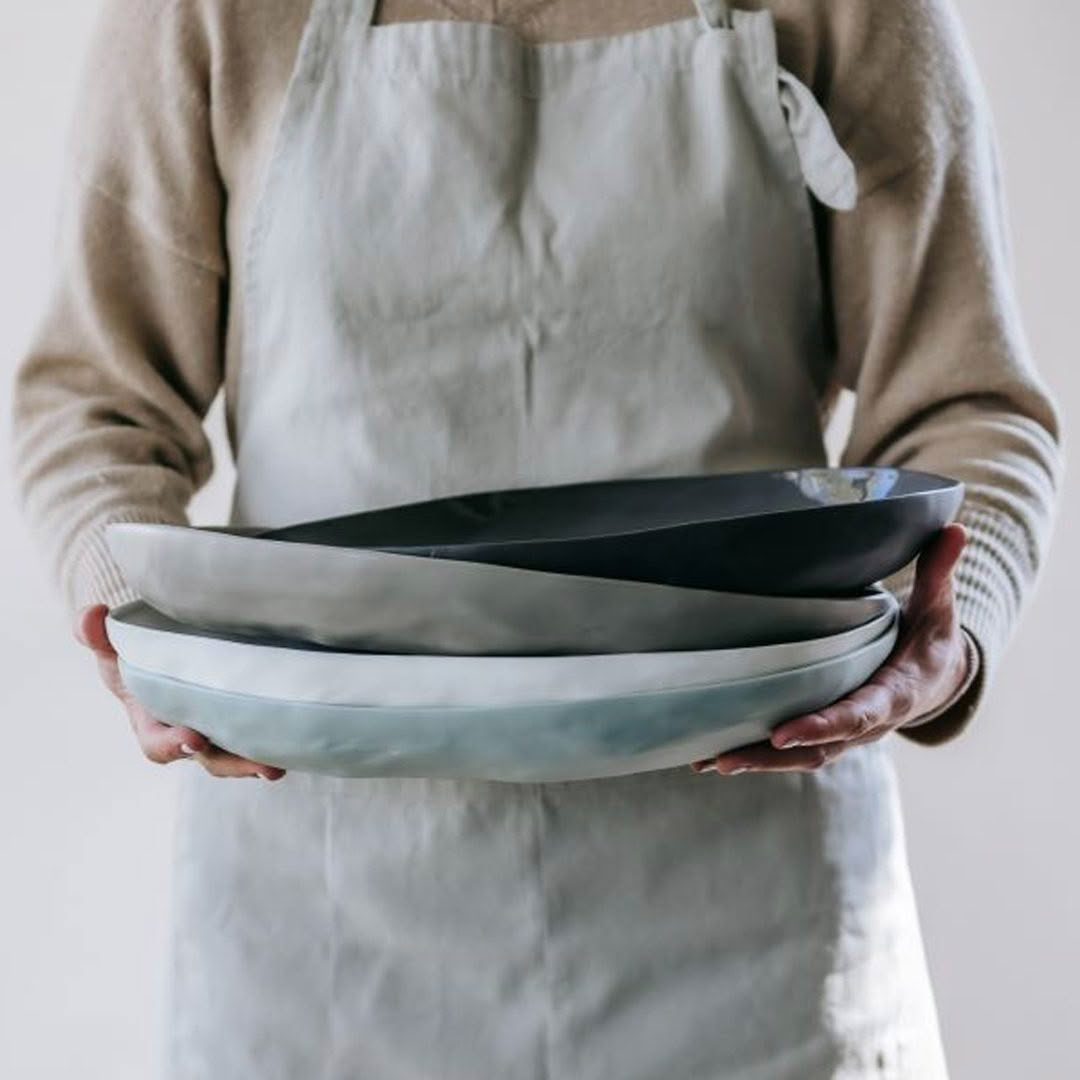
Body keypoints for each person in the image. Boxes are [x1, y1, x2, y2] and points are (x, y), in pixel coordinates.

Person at [8, 0, 1064, 1076]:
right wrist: (139, 622)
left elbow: (965, 400)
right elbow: (96, 400)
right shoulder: (208, 15)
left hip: (756, 923)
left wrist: (954, 623)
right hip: (323, 928)